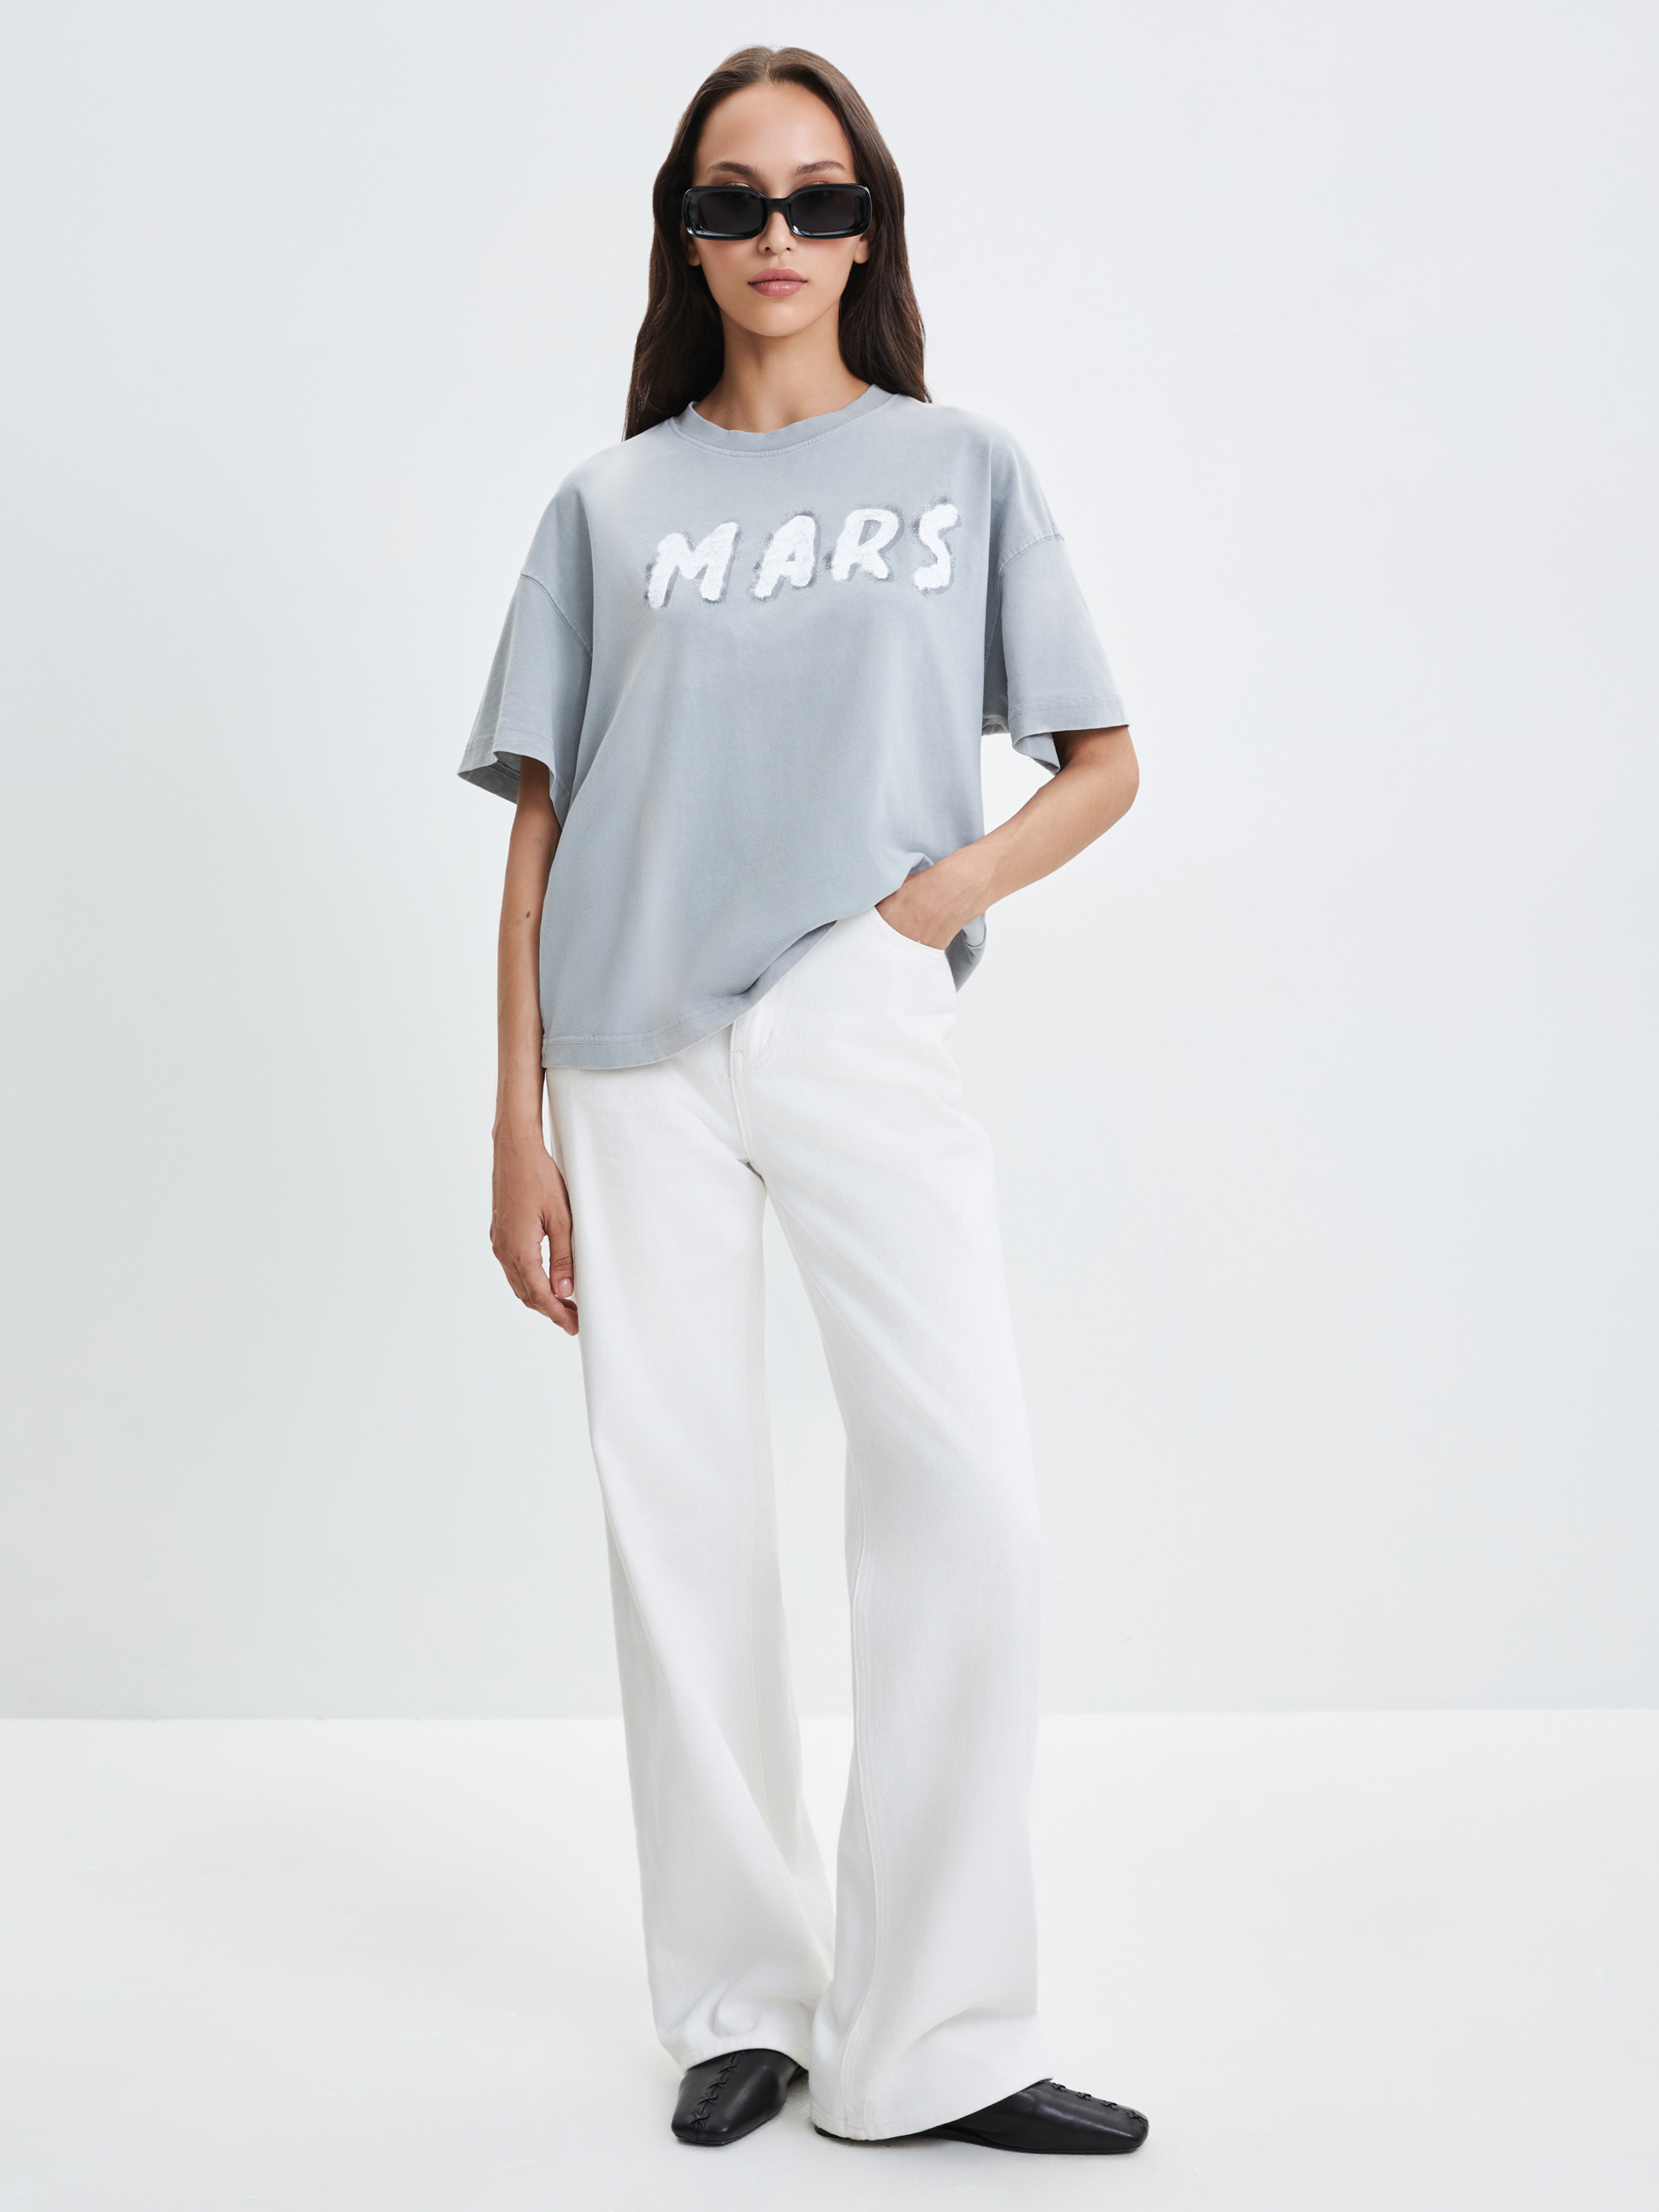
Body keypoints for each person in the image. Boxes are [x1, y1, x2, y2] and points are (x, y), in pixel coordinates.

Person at [460, 44, 1147, 2157]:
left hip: (857, 1008)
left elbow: (1101, 760)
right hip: (627, 1049)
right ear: (683, 235)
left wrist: (931, 900)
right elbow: (544, 819)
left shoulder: (960, 469)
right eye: (733, 201)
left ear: (868, 229)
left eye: (818, 199)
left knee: (967, 1491)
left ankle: (931, 2034)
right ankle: (739, 2000)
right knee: (679, 1516)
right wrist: (513, 1117)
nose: (777, 237)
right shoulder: (608, 506)